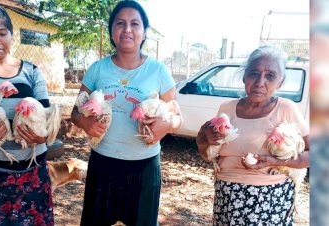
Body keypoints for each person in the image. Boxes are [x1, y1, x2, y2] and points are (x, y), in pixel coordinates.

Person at [71, 1, 182, 225]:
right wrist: (84, 122)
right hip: (103, 164)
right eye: (120, 23)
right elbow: (75, 111)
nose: (127, 29)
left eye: (135, 24)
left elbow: (178, 116)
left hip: (144, 167)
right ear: (112, 30)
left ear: (144, 32)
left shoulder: (158, 71)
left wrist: (167, 124)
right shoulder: (97, 69)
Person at [196, 45, 309, 226]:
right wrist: (202, 141)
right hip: (227, 197)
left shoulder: (286, 109)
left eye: (270, 76)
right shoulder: (226, 109)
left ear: (281, 82)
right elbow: (207, 154)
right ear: (244, 76)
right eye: (254, 73)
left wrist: (277, 161)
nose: (260, 82)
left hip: (269, 200)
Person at [0, 3, 54, 225]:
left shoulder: (31, 71)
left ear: (12, 34)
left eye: (2, 33)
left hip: (33, 169)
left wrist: (42, 137)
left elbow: (47, 117)